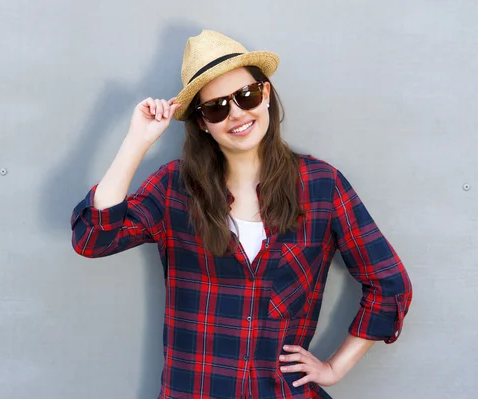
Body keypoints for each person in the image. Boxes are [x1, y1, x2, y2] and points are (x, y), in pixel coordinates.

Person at [70, 30, 412, 399]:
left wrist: (333, 368)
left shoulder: (321, 186)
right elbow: (93, 239)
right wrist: (137, 141)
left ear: (265, 95)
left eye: (245, 96)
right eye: (216, 107)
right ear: (202, 122)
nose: (236, 114)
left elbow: (389, 284)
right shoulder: (174, 187)